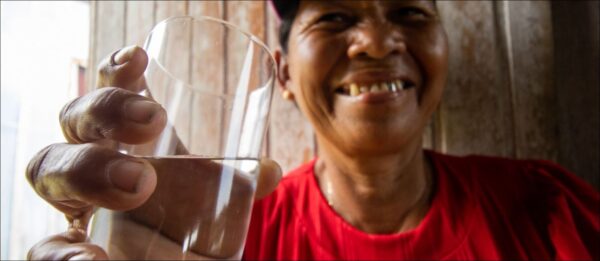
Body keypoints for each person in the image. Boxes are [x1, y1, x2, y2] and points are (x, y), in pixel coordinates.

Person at [26, 0, 599, 260]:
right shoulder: (231, 237)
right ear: (287, 79)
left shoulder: (550, 208)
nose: (376, 42)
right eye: (334, 18)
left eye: (409, 12)